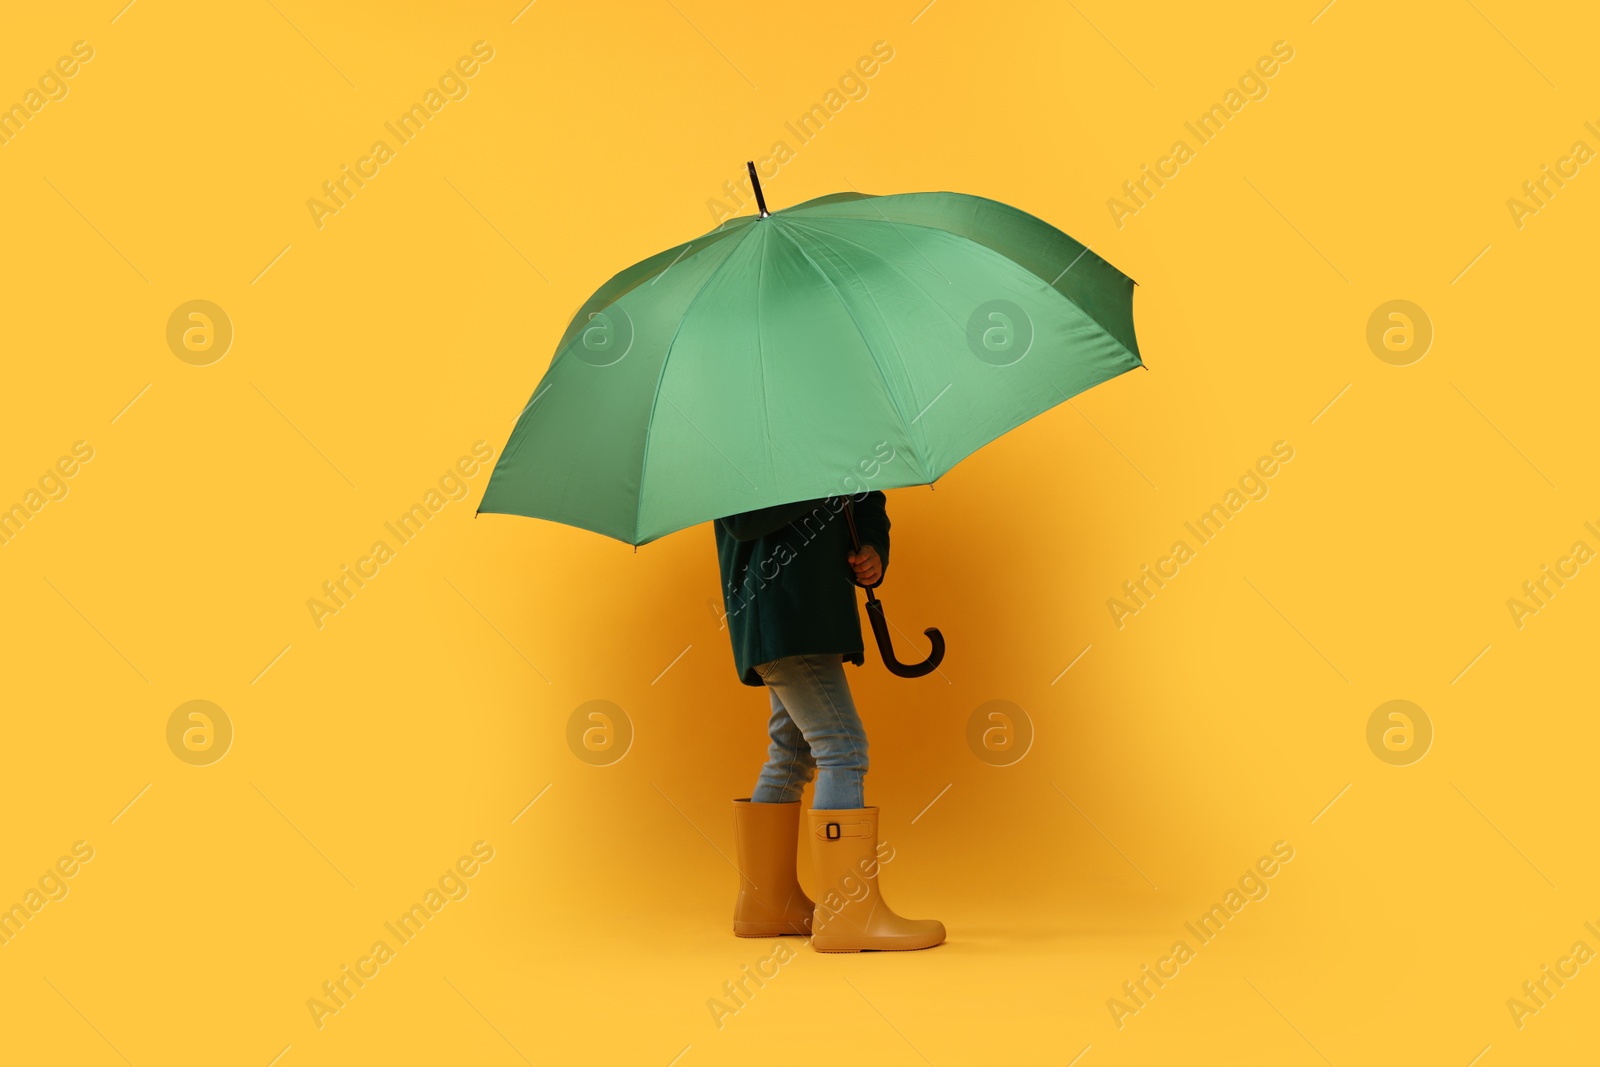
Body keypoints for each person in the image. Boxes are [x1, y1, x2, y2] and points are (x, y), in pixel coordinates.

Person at [715, 491, 944, 953]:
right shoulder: (743, 443)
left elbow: (867, 498)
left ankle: (767, 905)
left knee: (792, 752)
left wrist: (874, 549)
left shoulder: (830, 437)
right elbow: (742, 515)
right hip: (780, 615)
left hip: (814, 619)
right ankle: (848, 915)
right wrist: (825, 482)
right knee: (842, 747)